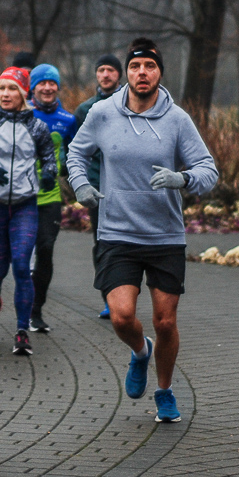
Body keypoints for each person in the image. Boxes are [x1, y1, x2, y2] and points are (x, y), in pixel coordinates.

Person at [67, 38, 217, 425]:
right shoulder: (102, 113)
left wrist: (182, 177)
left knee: (165, 322)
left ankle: (164, 391)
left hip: (164, 235)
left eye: (149, 66)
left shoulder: (177, 120)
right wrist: (80, 183)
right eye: (135, 67)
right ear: (126, 73)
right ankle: (139, 353)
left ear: (159, 73)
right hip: (117, 230)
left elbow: (208, 170)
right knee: (120, 317)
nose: (142, 73)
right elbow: (76, 152)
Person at [0, 66, 56, 356]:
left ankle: (22, 331)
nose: (5, 95)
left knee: (22, 265)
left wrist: (49, 174)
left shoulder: (38, 127)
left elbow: (49, 156)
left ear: (23, 94)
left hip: (25, 205)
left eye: (11, 89)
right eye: (1, 89)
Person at [28, 63, 77, 333]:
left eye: (52, 83)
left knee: (45, 250)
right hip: (20, 197)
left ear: (58, 86)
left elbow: (76, 152)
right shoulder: (20, 114)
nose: (47, 88)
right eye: (41, 83)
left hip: (50, 196)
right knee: (22, 255)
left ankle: (36, 310)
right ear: (33, 88)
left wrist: (68, 168)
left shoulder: (67, 120)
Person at [75, 53, 123, 319]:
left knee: (125, 241)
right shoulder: (85, 110)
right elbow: (78, 149)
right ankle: (108, 296)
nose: (105, 75)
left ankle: (126, 293)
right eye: (101, 70)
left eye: (111, 70)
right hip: (96, 185)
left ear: (119, 75)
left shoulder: (129, 105)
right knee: (101, 241)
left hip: (125, 184)